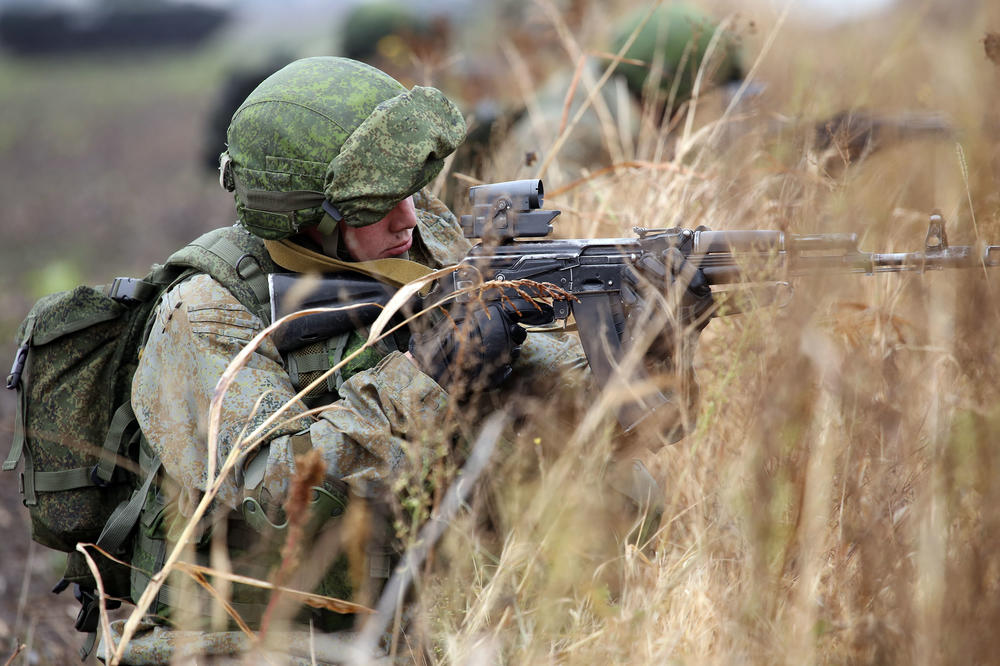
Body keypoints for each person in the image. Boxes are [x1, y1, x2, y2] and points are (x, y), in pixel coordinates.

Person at [106, 56, 713, 664]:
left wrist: (649, 342)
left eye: (409, 193)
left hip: (410, 598)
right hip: (248, 629)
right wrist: (428, 377)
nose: (408, 218)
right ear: (304, 219)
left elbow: (552, 416)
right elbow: (282, 496)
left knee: (626, 496)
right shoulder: (205, 315)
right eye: (375, 205)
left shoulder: (420, 237)